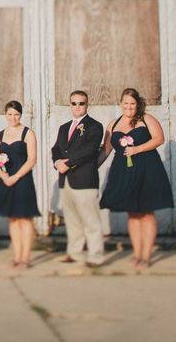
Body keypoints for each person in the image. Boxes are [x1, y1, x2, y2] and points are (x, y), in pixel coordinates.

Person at [100, 88, 173, 269]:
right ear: (121, 104)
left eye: (132, 103)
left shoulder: (146, 119)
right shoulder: (112, 124)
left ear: (137, 104)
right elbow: (106, 150)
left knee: (147, 213)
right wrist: (90, 167)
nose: (129, 106)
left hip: (147, 169)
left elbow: (159, 139)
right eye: (126, 103)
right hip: (123, 172)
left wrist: (137, 149)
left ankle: (146, 256)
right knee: (132, 213)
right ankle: (137, 253)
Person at [0, 100, 40, 269]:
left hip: (23, 180)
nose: (13, 118)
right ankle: (16, 255)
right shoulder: (0, 134)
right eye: (9, 114)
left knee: (25, 218)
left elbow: (31, 159)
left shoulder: (28, 133)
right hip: (6, 179)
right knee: (13, 218)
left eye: (16, 114)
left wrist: (16, 177)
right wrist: (3, 175)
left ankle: (25, 258)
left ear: (20, 115)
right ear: (5, 115)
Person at [51, 90, 104, 266]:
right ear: (70, 105)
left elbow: (89, 151)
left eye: (81, 103)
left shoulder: (95, 126)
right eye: (74, 103)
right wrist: (57, 161)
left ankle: (95, 256)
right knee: (72, 220)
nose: (77, 106)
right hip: (65, 180)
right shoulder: (64, 127)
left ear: (87, 105)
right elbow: (56, 148)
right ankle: (75, 253)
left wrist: (69, 163)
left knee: (91, 220)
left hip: (84, 180)